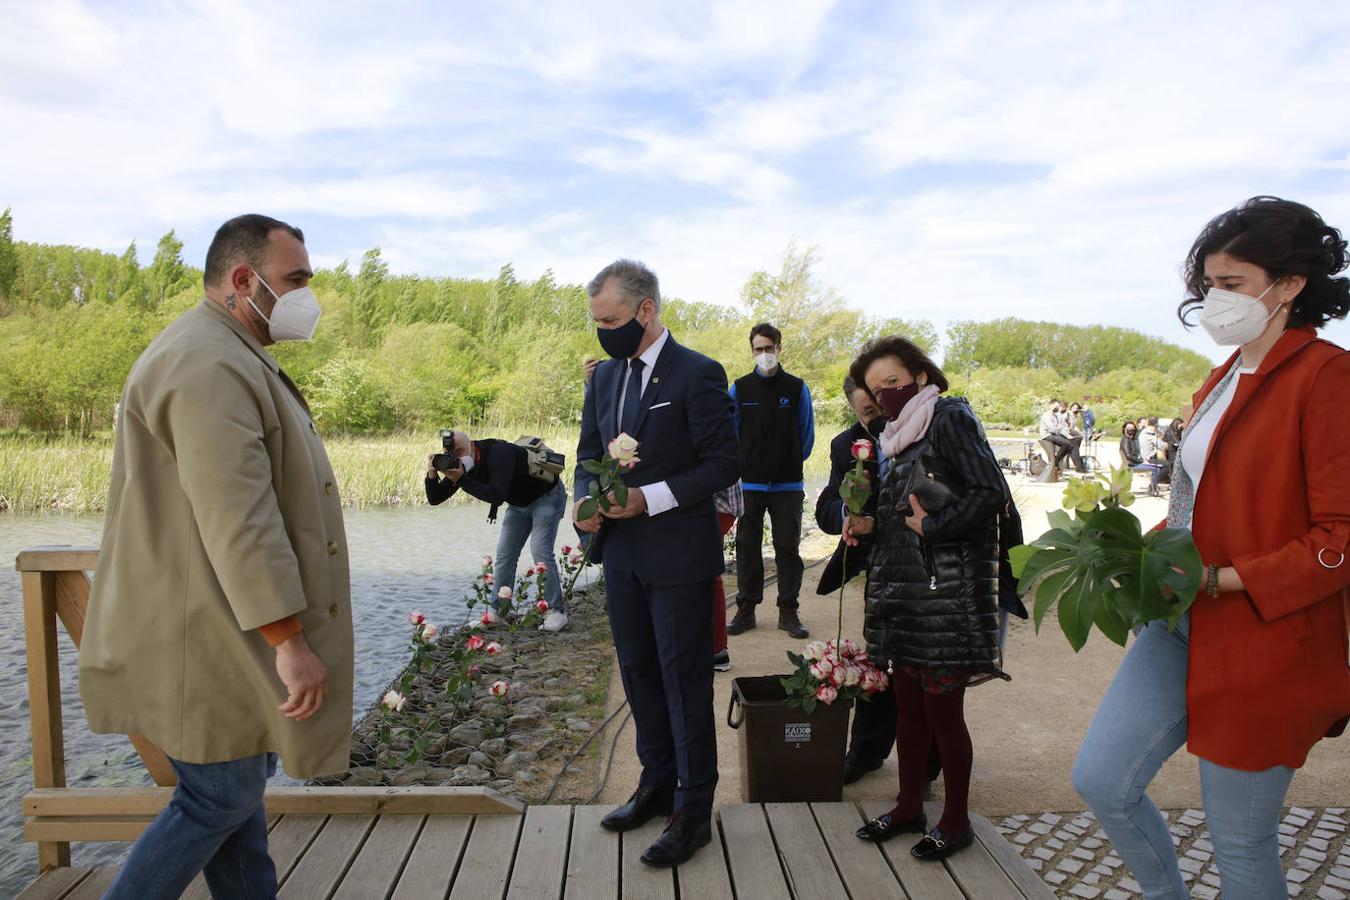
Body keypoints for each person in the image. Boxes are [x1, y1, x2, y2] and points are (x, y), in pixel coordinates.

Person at [1073, 196, 1350, 899]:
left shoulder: (1328, 378)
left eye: (1231, 284)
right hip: (1180, 619)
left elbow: (1341, 537)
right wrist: (1136, 557)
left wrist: (1223, 580)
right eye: (1207, 287)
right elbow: (1192, 502)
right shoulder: (1220, 378)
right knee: (1102, 779)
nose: (1214, 301)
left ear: (1289, 284)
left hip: (1265, 636)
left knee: (1242, 844)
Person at [80, 214, 352, 898]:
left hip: (213, 626)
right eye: (295, 280)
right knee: (217, 799)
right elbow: (239, 517)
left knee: (234, 802)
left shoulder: (224, 349)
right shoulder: (207, 362)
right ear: (243, 280)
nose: (306, 296)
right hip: (197, 635)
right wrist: (288, 640)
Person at [575, 259, 738, 867]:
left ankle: (694, 810)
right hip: (621, 558)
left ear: (646, 310)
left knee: (683, 678)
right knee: (639, 672)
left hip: (679, 555)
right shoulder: (604, 379)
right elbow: (589, 453)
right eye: (595, 321)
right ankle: (656, 783)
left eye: (610, 320)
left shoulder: (700, 373)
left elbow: (725, 463)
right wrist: (579, 504)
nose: (602, 332)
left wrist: (650, 498)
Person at [848, 336, 1015, 862]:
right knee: (909, 712)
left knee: (944, 716)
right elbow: (904, 512)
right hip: (905, 594)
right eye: (877, 389)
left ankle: (957, 820)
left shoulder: (948, 418)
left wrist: (936, 526)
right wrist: (870, 525)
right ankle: (906, 807)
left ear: (920, 376)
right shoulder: (895, 436)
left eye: (893, 382)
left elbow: (989, 492)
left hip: (947, 595)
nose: (886, 394)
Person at [425, 430, 569, 632]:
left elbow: (496, 496)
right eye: (452, 454)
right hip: (519, 505)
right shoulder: (461, 463)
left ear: (471, 445)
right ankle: (499, 613)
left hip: (547, 497)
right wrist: (432, 474)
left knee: (540, 551)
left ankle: (557, 611)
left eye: (460, 451)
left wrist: (462, 479)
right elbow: (435, 498)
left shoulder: (499, 453)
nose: (457, 457)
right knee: (504, 555)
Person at [727, 323, 815, 639]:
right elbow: (731, 432)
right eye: (758, 348)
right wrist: (744, 464)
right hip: (748, 484)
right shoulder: (739, 388)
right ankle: (746, 610)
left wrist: (787, 462)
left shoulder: (796, 388)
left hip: (787, 485)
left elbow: (806, 434)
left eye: (769, 347)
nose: (764, 354)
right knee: (747, 547)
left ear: (778, 348)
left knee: (787, 548)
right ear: (752, 351)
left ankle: (788, 611)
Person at [711, 482, 742, 671]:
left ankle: (716, 650)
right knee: (710, 575)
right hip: (723, 506)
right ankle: (717, 650)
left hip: (708, 507)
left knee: (706, 576)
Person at [1038, 398, 1086, 475]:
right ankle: (1056, 461)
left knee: (1074, 443)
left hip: (1054, 434)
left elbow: (1061, 427)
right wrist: (1061, 431)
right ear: (1051, 405)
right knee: (1068, 444)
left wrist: (1067, 435)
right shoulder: (1047, 415)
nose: (1057, 407)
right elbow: (1052, 429)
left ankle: (1079, 466)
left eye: (1058, 406)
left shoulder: (1055, 416)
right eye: (1056, 406)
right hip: (1047, 435)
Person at [1118, 420, 1162, 496]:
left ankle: (1152, 487)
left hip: (1134, 463)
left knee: (1156, 466)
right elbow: (1128, 456)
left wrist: (1143, 459)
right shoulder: (1125, 440)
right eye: (1129, 428)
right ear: (1124, 429)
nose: (1131, 430)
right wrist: (1141, 461)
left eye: (1132, 428)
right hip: (1131, 465)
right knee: (1156, 469)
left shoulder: (1132, 440)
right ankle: (1153, 489)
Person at [1159, 409, 1186, 485]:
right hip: (1172, 452)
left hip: (1174, 451)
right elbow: (1175, 443)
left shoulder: (1175, 431)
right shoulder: (1171, 432)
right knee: (1174, 466)